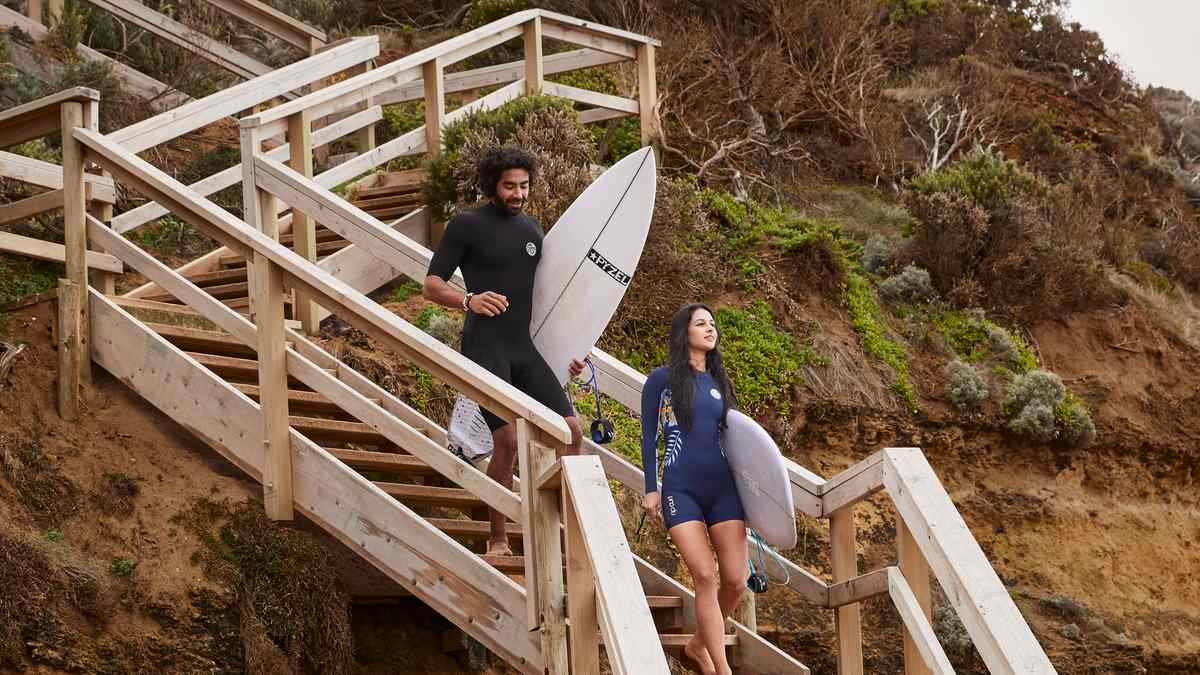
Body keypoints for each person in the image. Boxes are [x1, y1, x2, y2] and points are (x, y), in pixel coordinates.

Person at [423, 146, 584, 556]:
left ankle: (561, 522)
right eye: (510, 186)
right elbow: (431, 284)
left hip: (522, 347)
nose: (518, 193)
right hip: (484, 345)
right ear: (492, 185)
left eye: (524, 185)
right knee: (508, 440)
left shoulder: (533, 232)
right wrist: (468, 301)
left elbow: (551, 300)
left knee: (572, 431)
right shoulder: (467, 225)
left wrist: (574, 352)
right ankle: (497, 538)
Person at [641, 303, 748, 675]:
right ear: (683, 332)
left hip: (723, 490)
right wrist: (651, 488)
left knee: (736, 580)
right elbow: (649, 436)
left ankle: (699, 642)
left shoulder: (720, 383)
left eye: (713, 324)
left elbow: (737, 442)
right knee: (704, 575)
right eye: (701, 323)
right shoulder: (662, 379)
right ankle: (721, 668)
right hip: (680, 487)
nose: (710, 328)